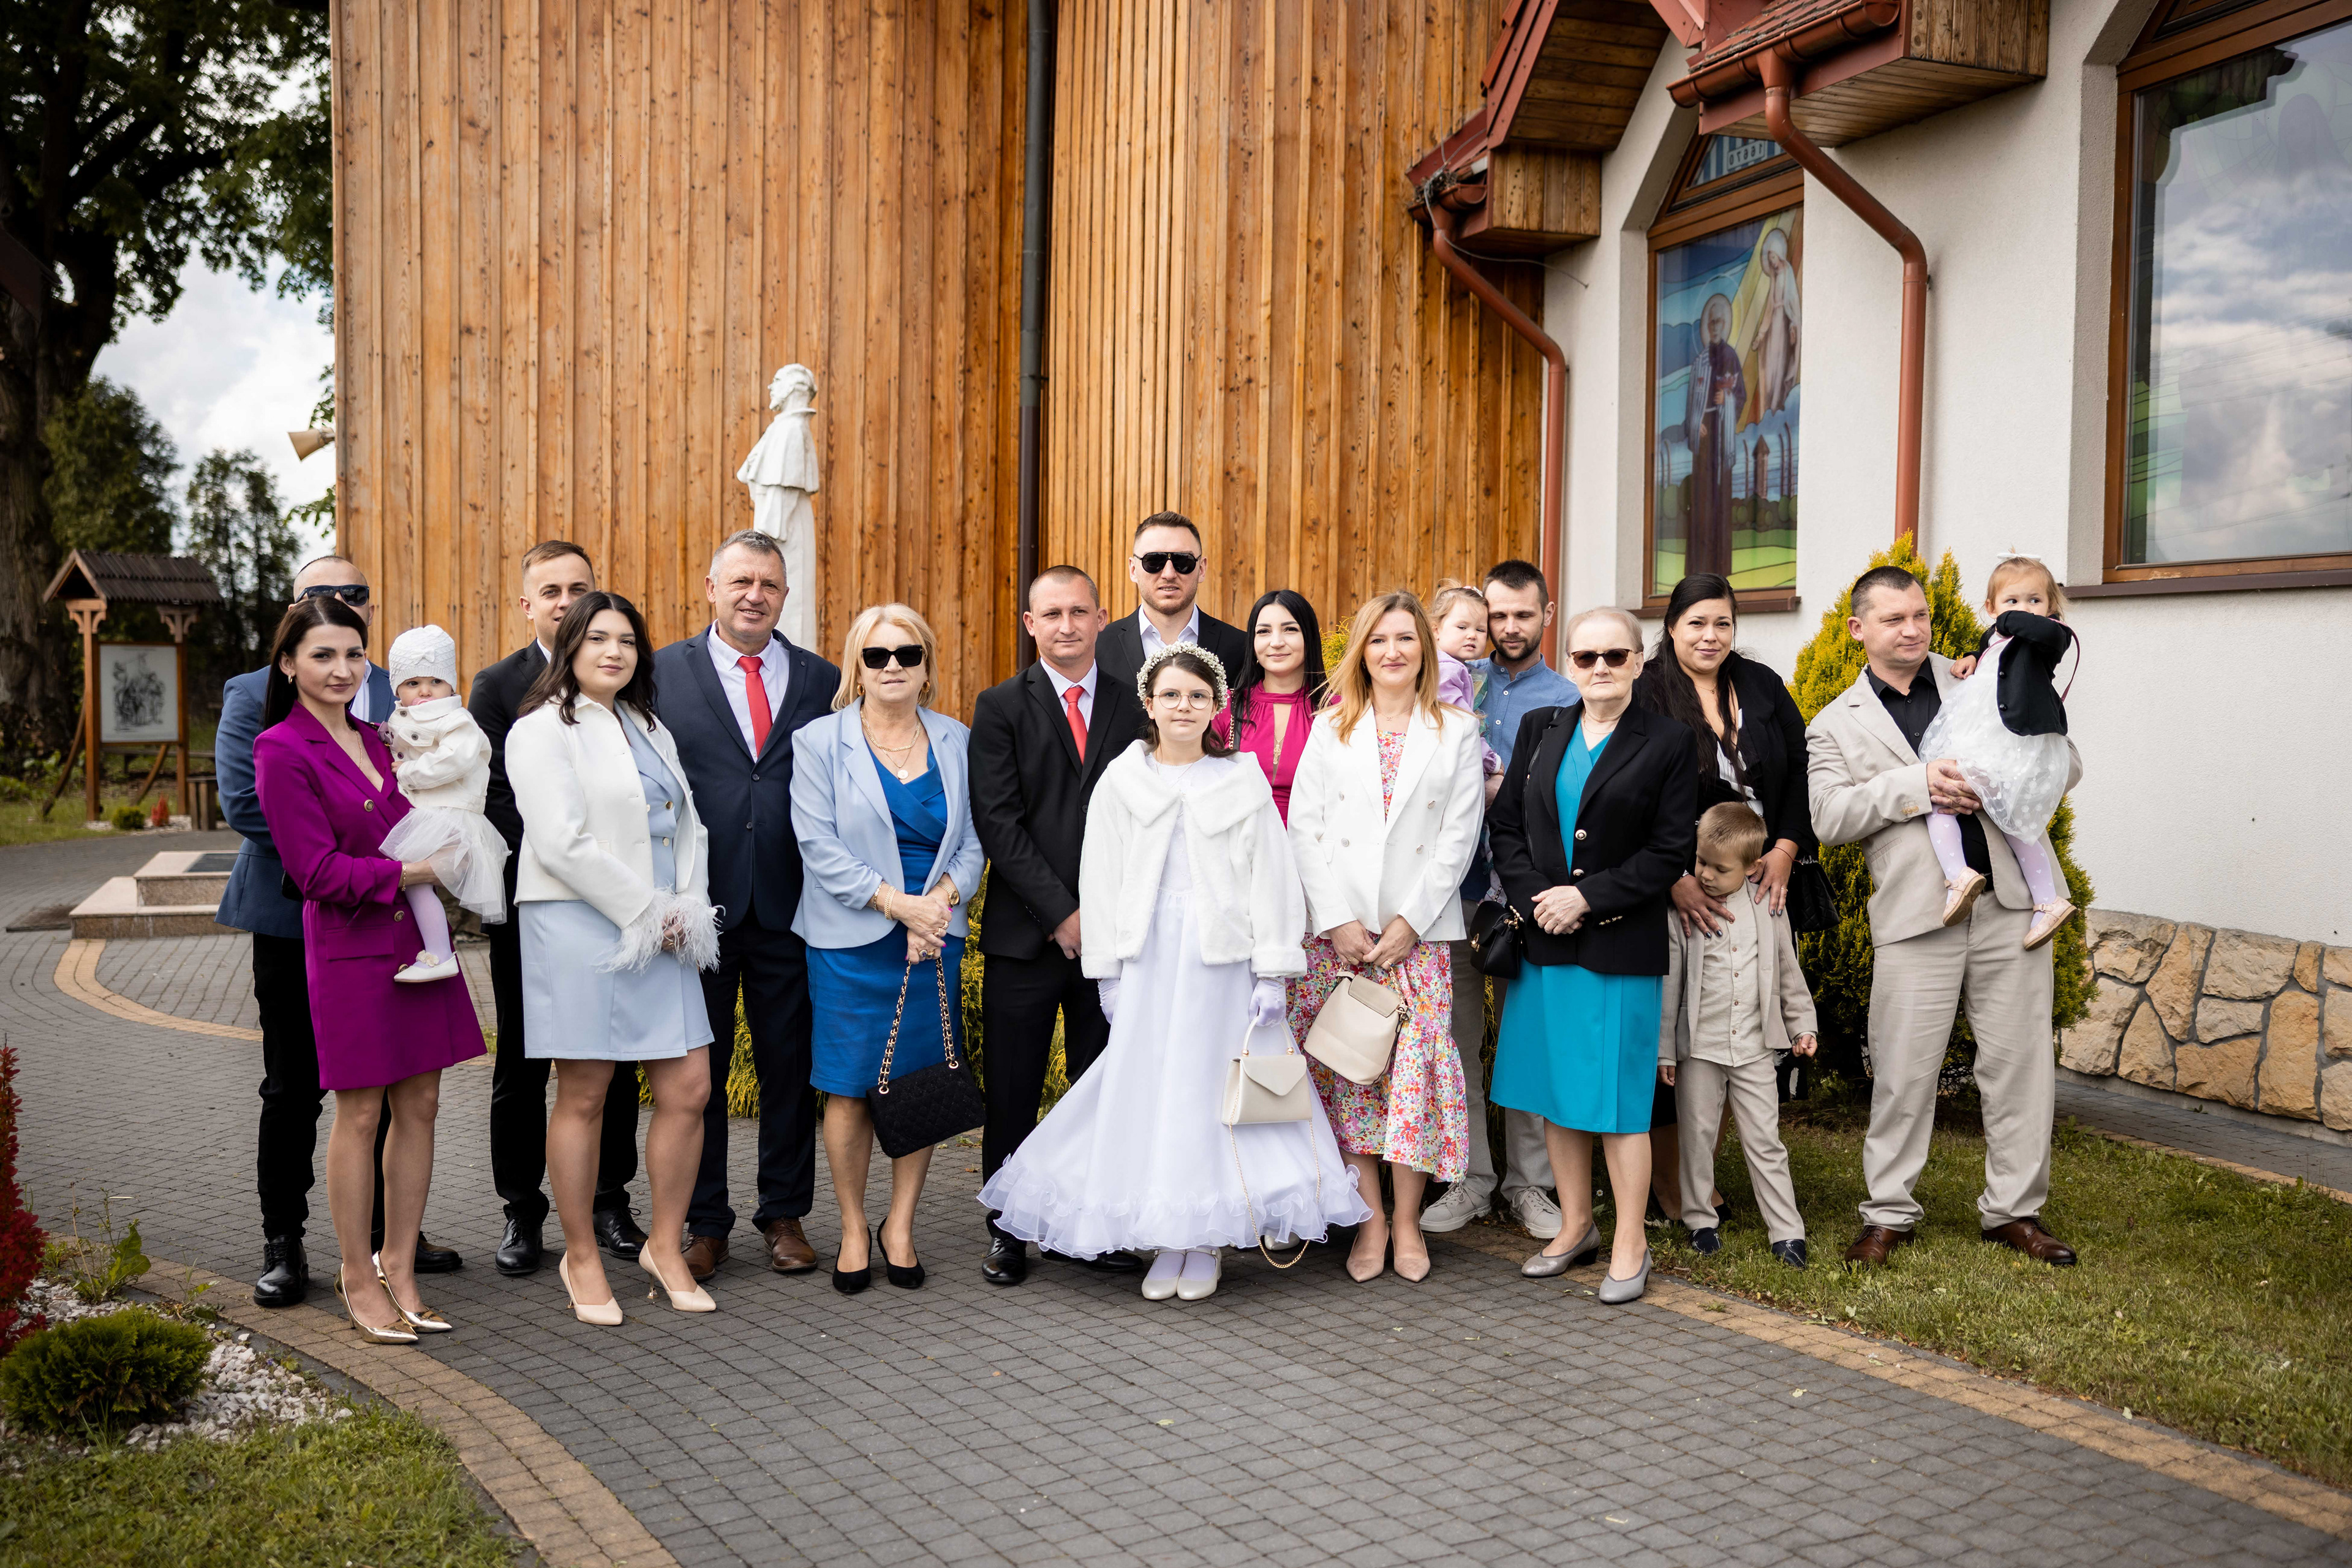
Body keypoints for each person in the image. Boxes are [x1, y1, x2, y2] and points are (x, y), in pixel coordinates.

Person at [984, 645, 1368, 1302]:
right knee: (1154, 1090)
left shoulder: (1241, 780)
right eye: (1171, 696)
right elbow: (1101, 878)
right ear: (1150, 705)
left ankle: (1205, 1240)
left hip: (1222, 961)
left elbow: (1272, 876)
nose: (1183, 706)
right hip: (1150, 955)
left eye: (1196, 696)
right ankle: (1168, 1235)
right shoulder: (1122, 781)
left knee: (1208, 1090)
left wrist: (1272, 972)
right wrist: (1108, 972)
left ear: (1217, 707)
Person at [1809, 566, 2083, 1270]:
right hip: (1916, 916)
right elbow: (1829, 816)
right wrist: (1917, 785)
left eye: (1921, 615)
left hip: (2013, 908)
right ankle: (1888, 1214)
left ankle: (2015, 1211)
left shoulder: (1981, 674)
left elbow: (2065, 760)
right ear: (1858, 629)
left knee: (2021, 1067)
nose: (1913, 629)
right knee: (1903, 1073)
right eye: (1894, 618)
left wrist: (2009, 776)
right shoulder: (1834, 722)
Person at [219, 555, 458, 1308]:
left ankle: (396, 1253)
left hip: (401, 933)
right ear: (288, 656)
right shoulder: (265, 721)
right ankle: (287, 1242)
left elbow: (418, 804)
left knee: (412, 1101)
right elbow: (257, 814)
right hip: (306, 920)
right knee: (298, 1090)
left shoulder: (384, 723)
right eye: (324, 651)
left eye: (354, 648)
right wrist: (395, 866)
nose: (344, 667)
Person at [508, 592, 722, 1323]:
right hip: (580, 923)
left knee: (689, 1085)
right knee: (586, 1093)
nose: (614, 651)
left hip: (664, 925)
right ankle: (581, 1254)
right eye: (597, 637)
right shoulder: (540, 730)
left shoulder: (649, 724)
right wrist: (648, 911)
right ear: (569, 644)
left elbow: (688, 827)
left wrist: (687, 907)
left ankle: (665, 1244)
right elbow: (561, 844)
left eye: (627, 640)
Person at [1488, 606, 1697, 1305]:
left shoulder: (1670, 741)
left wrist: (1586, 898)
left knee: (1618, 1101)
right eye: (1586, 657)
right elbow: (1506, 827)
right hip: (1545, 940)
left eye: (1615, 655)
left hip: (1618, 944)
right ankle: (1576, 1226)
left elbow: (1670, 850)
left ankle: (1631, 1241)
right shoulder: (1539, 728)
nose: (1600, 668)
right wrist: (1537, 899)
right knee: (1557, 1092)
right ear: (1569, 663)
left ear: (1638, 661)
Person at [654, 531, 839, 1281]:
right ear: (711, 588)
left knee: (788, 1067)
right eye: (740, 581)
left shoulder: (823, 679)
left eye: (768, 583)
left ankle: (784, 1213)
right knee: (698, 1071)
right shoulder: (662, 673)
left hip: (791, 905)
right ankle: (705, 1223)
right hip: (698, 909)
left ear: (784, 595)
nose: (754, 595)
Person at [1285, 592, 1484, 1284]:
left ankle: (1407, 1221)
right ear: (1360, 652)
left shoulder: (1456, 729)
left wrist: (1410, 922)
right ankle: (1368, 1219)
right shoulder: (1331, 726)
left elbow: (1459, 836)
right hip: (1339, 937)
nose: (1392, 651)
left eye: (1405, 638)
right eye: (1378, 640)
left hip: (1417, 935)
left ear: (1425, 648)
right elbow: (1304, 827)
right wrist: (1336, 918)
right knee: (1350, 1072)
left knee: (1411, 1077)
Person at [790, 604, 982, 1294]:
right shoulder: (819, 741)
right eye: (877, 656)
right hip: (851, 939)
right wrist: (898, 906)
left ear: (927, 664)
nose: (893, 666)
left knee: (918, 1079)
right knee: (848, 1087)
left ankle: (900, 1225)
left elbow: (974, 840)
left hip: (934, 936)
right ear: (857, 666)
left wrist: (938, 907)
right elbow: (817, 845)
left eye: (907, 654)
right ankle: (851, 1227)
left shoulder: (958, 739)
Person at [967, 567, 1146, 1286]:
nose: (1066, 625)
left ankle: (1087, 1230)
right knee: (1012, 1089)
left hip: (1116, 939)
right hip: (1026, 937)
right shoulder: (1000, 706)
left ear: (1102, 618)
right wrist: (1063, 914)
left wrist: (1103, 917)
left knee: (1098, 1086)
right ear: (1030, 623)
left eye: (1078, 611)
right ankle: (1009, 1229)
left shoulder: (1136, 704)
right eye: (1052, 613)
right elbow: (999, 822)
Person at [470, 541, 643, 1277]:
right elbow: (494, 796)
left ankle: (609, 1200)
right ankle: (522, 1208)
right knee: (523, 1059)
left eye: (579, 588)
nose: (566, 602)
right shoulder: (498, 686)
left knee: (615, 1059)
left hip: (618, 904)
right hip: (532, 905)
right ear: (527, 604)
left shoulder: (620, 681)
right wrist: (567, 861)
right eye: (552, 591)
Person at [1630, 572, 1817, 1224]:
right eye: (1697, 623)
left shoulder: (1760, 683)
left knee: (1742, 1021)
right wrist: (1674, 877)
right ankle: (1669, 1187)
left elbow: (1800, 769)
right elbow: (1635, 793)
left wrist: (1785, 848)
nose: (1710, 636)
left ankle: (1704, 1171)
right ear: (1671, 627)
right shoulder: (1647, 690)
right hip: (1680, 885)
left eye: (1723, 623)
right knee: (1683, 1028)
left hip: (1761, 879)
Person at [1425, 559, 1571, 1241]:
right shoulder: (1442, 681)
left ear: (1546, 614)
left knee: (1525, 1044)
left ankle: (1529, 1184)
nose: (1507, 628)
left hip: (1527, 895)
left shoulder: (1567, 697)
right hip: (1448, 894)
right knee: (1456, 1043)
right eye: (1495, 617)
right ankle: (1469, 1177)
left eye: (1521, 615)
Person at [1657, 804, 1816, 1267]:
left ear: (1751, 867)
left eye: (1719, 868)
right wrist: (1666, 1050)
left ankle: (1787, 1231)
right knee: (1697, 1138)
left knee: (1765, 1140)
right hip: (1699, 1049)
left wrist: (1802, 1025)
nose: (1705, 874)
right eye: (1700, 862)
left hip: (1754, 1048)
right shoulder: (1683, 912)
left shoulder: (1769, 908)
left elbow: (1787, 970)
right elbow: (1670, 987)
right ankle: (1699, 1220)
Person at [1919, 555, 2079, 950]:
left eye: (2035, 600)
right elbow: (1990, 647)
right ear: (1990, 607)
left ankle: (1962, 878)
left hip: (2014, 739)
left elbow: (2032, 630)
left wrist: (2006, 617)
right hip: (1984, 738)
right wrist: (1974, 656)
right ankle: (2045, 901)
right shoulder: (1997, 637)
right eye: (2012, 601)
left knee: (1963, 808)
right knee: (1988, 814)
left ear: (2051, 607)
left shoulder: (2051, 636)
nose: (2024, 609)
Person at [377, 626, 507, 984]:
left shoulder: (457, 720)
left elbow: (455, 760)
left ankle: (439, 954)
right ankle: (432, 951)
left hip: (450, 815)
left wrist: (409, 772)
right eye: (413, 683)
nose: (425, 691)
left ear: (450, 685)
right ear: (397, 689)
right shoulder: (403, 718)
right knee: (413, 884)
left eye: (435, 681)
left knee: (415, 881)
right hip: (424, 814)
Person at [1095, 512, 1250, 694]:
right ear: (1133, 569)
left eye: (1183, 562)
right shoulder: (1098, 647)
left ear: (1201, 569)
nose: (1169, 574)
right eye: (1153, 561)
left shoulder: (1241, 648)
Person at [1212, 589, 1326, 823]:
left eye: (1290, 630)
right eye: (1264, 631)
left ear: (1310, 638)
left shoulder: (1336, 710)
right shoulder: (1225, 705)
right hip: (1239, 840)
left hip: (1313, 841)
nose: (1276, 642)